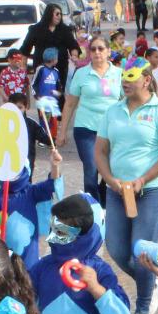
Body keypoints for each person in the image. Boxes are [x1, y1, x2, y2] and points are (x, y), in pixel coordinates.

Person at [95, 60, 158, 314]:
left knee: (140, 248)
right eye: (123, 77)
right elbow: (100, 150)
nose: (125, 81)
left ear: (146, 80)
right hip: (118, 190)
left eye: (131, 77)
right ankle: (153, 281)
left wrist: (143, 178)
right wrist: (110, 179)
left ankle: (142, 312)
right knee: (117, 248)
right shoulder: (113, 111)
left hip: (153, 189)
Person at [0, 98, 64, 269]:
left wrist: (54, 166)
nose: (12, 175)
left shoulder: (31, 192)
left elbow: (51, 185)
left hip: (30, 254)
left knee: (30, 274)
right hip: (6, 254)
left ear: (25, 171)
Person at [59, 38, 123, 202]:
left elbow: (127, 101)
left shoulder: (119, 73)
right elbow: (70, 103)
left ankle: (106, 203)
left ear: (109, 51)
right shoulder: (81, 73)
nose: (97, 52)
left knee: (111, 169)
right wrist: (62, 131)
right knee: (91, 168)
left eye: (101, 49)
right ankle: (93, 209)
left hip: (112, 130)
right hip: (86, 129)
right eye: (93, 49)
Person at [17, 3, 82, 88]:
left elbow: (73, 45)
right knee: (43, 90)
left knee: (58, 91)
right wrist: (23, 66)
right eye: (57, 14)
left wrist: (74, 55)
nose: (59, 16)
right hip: (41, 67)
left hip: (60, 67)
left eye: (60, 14)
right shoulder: (35, 29)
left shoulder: (65, 30)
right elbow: (25, 49)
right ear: (49, 14)